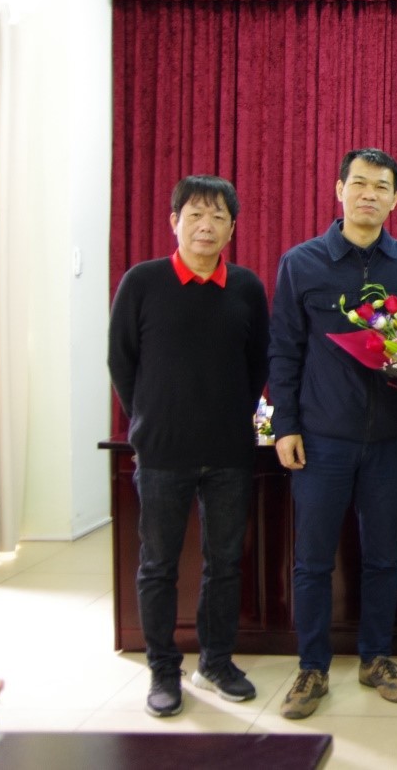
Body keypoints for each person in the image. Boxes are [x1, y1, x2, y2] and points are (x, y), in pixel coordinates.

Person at [268, 148, 397, 720]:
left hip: (391, 438)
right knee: (313, 559)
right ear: (339, 189)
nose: (369, 194)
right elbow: (284, 349)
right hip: (322, 439)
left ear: (396, 199)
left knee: (383, 557)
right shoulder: (302, 262)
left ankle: (376, 658)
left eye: (381, 186)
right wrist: (286, 426)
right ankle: (311, 668)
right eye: (360, 183)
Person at [108, 175, 270, 718]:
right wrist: (148, 419)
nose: (206, 226)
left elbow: (257, 364)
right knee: (158, 564)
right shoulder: (142, 282)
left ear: (232, 228)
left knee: (224, 564)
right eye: (196, 215)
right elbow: (121, 360)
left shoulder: (246, 287)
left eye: (218, 217)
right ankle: (162, 668)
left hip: (229, 452)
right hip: (162, 452)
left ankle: (216, 662)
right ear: (174, 221)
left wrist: (232, 415)